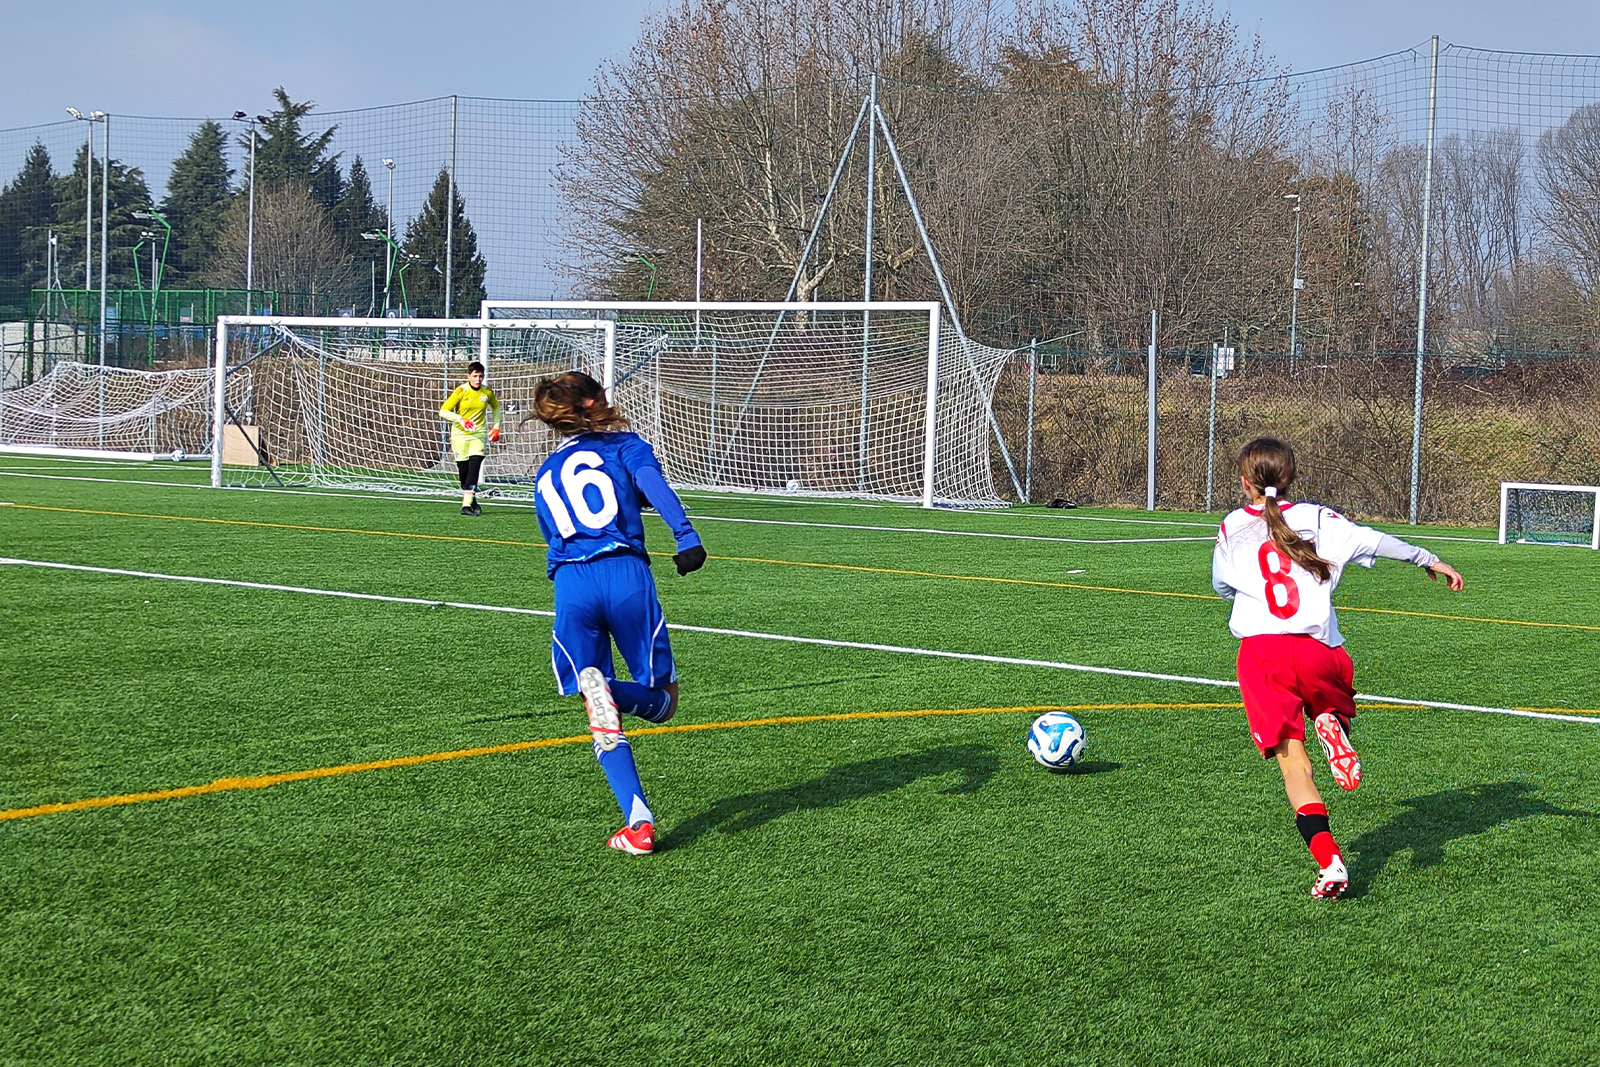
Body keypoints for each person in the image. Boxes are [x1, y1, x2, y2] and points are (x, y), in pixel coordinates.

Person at [1211, 437, 1464, 899]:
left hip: (1262, 657)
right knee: (1328, 700)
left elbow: (1222, 585)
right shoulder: (1320, 518)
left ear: (1244, 483)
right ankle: (1330, 718)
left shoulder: (1231, 526)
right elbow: (1378, 541)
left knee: (1295, 769)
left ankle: (1331, 864)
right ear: (1291, 478)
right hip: (1317, 650)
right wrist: (1430, 560)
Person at [529, 370, 707, 855]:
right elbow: (654, 485)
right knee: (663, 702)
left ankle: (638, 822)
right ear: (591, 402)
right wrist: (686, 537)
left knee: (598, 713)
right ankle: (610, 691)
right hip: (623, 572)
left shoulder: (545, 473)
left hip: (570, 583)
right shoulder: (624, 445)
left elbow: (554, 534)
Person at [439, 361, 502, 516]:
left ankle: (466, 506)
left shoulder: (487, 392)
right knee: (464, 471)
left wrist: (496, 426)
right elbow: (443, 411)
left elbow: (496, 407)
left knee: (474, 467)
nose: (478, 379)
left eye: (481, 376)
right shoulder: (461, 391)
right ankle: (472, 500)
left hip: (478, 434)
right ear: (468, 376)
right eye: (475, 376)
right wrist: (460, 419)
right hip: (460, 435)